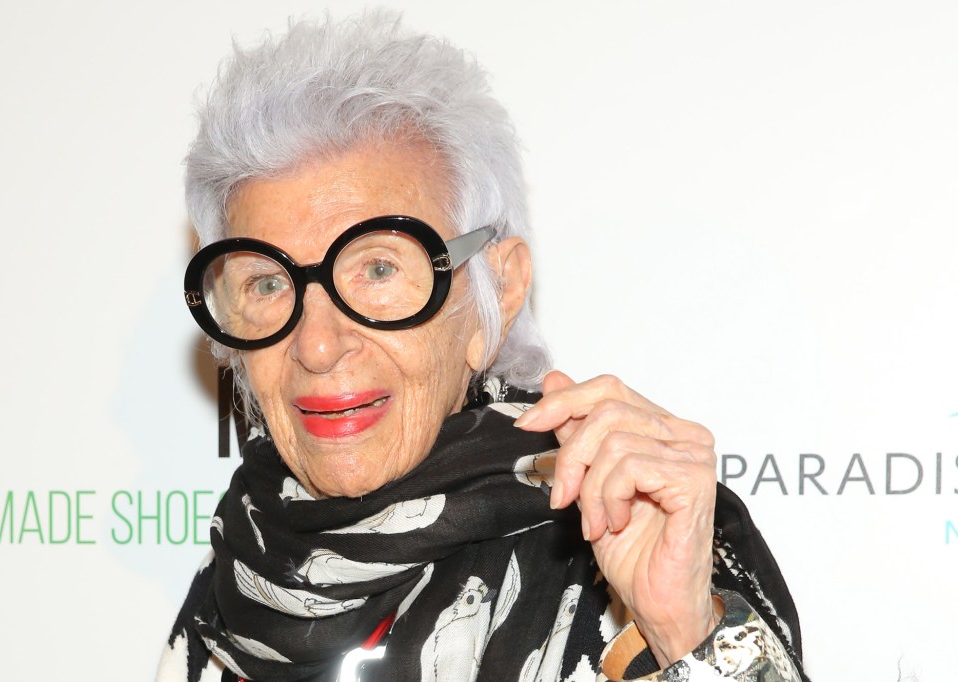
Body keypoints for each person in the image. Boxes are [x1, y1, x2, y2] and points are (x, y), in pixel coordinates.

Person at [160, 12, 809, 682]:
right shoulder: (250, 551)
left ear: (495, 289)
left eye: (379, 269)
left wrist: (683, 631)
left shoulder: (624, 536)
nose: (318, 345)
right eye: (267, 283)